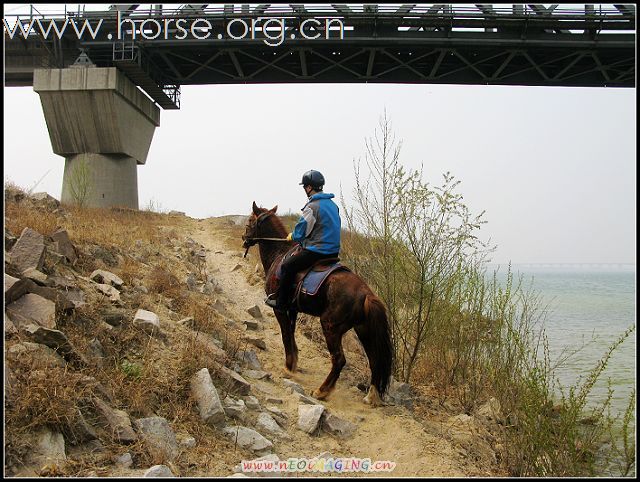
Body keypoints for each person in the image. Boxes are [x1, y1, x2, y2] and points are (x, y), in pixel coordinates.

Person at [265, 169, 341, 310]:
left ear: (309, 187)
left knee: (287, 266)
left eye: (305, 187)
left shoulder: (312, 207)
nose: (305, 189)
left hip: (317, 252)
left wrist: (292, 236)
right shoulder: (333, 205)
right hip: (333, 253)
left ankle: (282, 303)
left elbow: (301, 232)